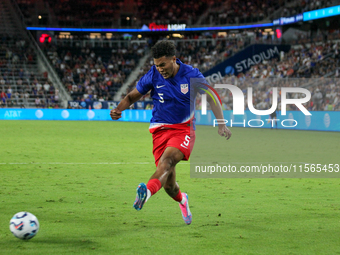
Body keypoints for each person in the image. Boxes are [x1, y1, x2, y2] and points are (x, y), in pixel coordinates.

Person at [110, 40, 231, 225]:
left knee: (166, 162)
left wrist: (221, 123)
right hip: (159, 131)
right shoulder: (153, 75)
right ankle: (183, 200)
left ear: (174, 59)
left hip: (184, 130)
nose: (160, 69)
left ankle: (146, 193)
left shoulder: (192, 75)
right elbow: (131, 96)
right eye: (157, 65)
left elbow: (212, 97)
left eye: (163, 64)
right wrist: (118, 109)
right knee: (169, 185)